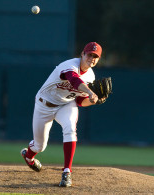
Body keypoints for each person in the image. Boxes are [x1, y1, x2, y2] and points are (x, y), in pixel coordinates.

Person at [21, 42, 106, 187]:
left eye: (95, 56)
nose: (92, 58)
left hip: (66, 104)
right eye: (89, 54)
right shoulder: (70, 65)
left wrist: (94, 101)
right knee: (40, 146)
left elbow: (80, 100)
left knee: (70, 129)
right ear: (82, 54)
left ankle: (67, 172)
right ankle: (28, 156)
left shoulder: (90, 76)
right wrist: (91, 92)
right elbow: (73, 80)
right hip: (44, 104)